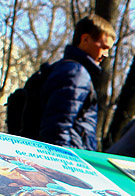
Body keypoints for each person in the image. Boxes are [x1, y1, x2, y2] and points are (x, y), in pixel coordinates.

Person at [39, 14, 115, 150]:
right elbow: (58, 127)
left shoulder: (65, 68)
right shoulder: (76, 73)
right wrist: (62, 164)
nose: (106, 54)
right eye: (103, 47)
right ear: (85, 39)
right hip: (68, 159)